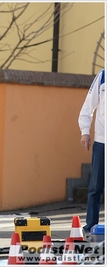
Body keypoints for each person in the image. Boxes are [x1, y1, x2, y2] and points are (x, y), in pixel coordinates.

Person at [78, 69, 105, 233]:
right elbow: (88, 106)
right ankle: (90, 225)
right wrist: (85, 132)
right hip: (102, 142)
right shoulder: (103, 77)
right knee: (95, 186)